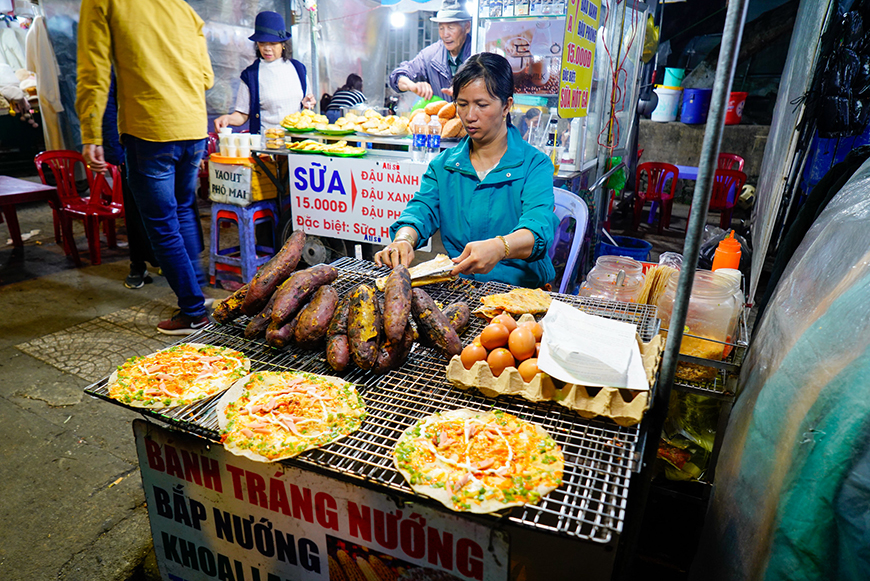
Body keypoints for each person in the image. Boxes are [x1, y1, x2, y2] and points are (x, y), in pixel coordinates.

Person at [77, 0, 215, 335]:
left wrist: (91, 132)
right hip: (194, 128)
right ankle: (197, 293)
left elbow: (94, 72)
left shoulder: (104, 3)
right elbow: (207, 78)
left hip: (150, 129)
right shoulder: (182, 8)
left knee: (162, 223)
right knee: (183, 210)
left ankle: (193, 312)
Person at [375, 52, 558, 289]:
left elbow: (538, 227)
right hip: (461, 287)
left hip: (520, 289)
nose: (470, 116)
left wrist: (499, 247)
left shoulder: (534, 165)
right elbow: (422, 209)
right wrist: (404, 239)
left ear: (506, 106)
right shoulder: (444, 165)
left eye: (482, 105)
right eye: (462, 104)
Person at [213, 11, 315, 134]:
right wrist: (228, 119)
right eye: (262, 43)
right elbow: (242, 114)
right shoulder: (251, 75)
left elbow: (308, 103)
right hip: (267, 146)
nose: (267, 48)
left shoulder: (298, 69)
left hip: (297, 144)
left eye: (272, 43)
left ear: (283, 44)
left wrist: (308, 104)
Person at [388, 0, 472, 102]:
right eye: (441, 28)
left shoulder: (478, 54)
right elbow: (397, 77)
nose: (445, 35)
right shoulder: (430, 55)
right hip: (441, 117)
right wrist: (412, 85)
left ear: (467, 27)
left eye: (451, 28)